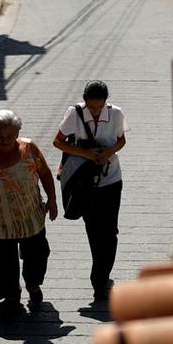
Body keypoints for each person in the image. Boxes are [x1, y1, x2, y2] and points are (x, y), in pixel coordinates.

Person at [0, 109, 57, 319]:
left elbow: (44, 173)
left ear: (17, 134)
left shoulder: (30, 149)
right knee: (2, 262)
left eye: (9, 136)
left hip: (30, 217)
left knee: (37, 255)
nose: (4, 140)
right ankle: (12, 294)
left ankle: (33, 285)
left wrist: (52, 199)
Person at [53, 80, 125, 302]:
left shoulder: (116, 114)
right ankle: (99, 279)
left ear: (105, 102)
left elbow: (122, 140)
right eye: (92, 107)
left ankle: (101, 277)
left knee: (110, 231)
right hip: (85, 181)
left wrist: (107, 152)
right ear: (85, 102)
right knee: (94, 230)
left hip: (111, 178)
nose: (95, 112)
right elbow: (58, 142)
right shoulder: (74, 113)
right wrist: (84, 154)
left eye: (99, 107)